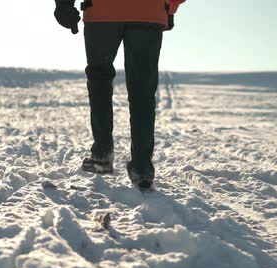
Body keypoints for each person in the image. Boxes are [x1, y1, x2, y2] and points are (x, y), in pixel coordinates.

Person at [54, 0, 185, 190]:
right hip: (149, 11)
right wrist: (169, 7)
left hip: (102, 11)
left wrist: (64, 5)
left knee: (99, 79)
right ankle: (142, 168)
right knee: (143, 90)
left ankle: (102, 154)